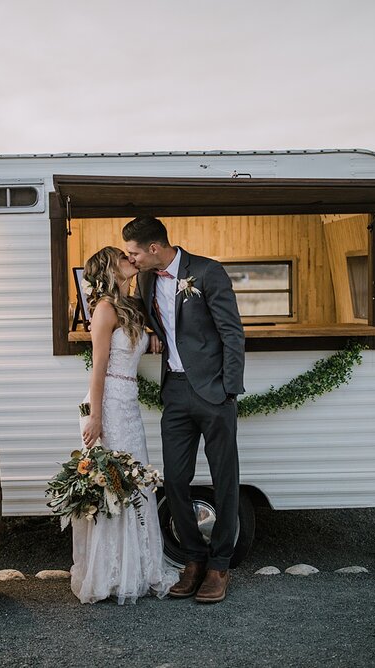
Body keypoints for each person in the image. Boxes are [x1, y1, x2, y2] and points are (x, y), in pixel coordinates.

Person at [122, 216, 245, 604]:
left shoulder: (207, 272)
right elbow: (145, 317)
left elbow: (232, 332)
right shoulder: (144, 279)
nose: (132, 258)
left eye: (134, 252)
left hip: (213, 393)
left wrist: (228, 389)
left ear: (154, 249)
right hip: (174, 392)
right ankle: (193, 559)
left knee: (225, 479)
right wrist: (154, 332)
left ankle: (220, 564)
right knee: (175, 479)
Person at [70, 246, 180, 605]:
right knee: (115, 484)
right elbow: (98, 366)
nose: (130, 260)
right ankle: (111, 574)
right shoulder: (102, 309)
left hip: (128, 402)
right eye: (123, 257)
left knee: (136, 482)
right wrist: (96, 417)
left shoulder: (128, 308)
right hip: (110, 404)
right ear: (109, 268)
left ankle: (140, 566)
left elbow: (129, 345)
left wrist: (150, 338)